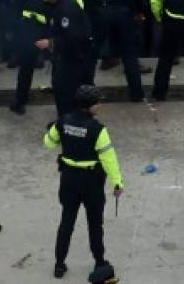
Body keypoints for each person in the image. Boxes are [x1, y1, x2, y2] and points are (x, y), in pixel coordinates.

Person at [43, 85, 123, 281]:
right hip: (91, 182)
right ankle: (99, 261)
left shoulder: (62, 121)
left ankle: (59, 265)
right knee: (95, 224)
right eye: (98, 102)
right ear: (89, 106)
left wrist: (55, 131)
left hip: (68, 180)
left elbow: (48, 143)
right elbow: (108, 159)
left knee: (66, 222)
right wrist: (117, 182)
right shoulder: (98, 130)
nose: (100, 105)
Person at [11, 0, 82, 114]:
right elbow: (78, 4)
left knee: (26, 66)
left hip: (30, 27)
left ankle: (20, 102)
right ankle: (63, 103)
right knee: (58, 65)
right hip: (53, 29)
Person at [39, 0, 93, 117]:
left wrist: (50, 43)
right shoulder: (59, 3)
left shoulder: (66, 9)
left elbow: (73, 37)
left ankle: (66, 122)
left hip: (72, 57)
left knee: (65, 91)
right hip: (64, 56)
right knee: (60, 88)